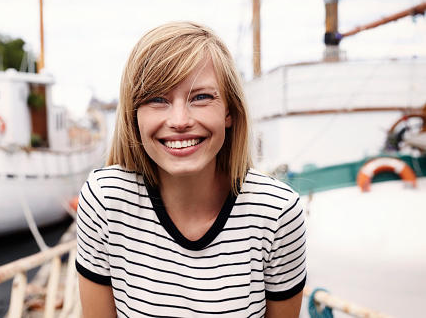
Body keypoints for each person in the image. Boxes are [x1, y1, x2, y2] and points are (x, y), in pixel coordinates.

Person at [76, 21, 306, 317]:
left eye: (201, 97)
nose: (180, 120)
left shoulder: (276, 213)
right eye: (157, 99)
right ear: (134, 116)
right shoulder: (105, 200)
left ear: (229, 112)